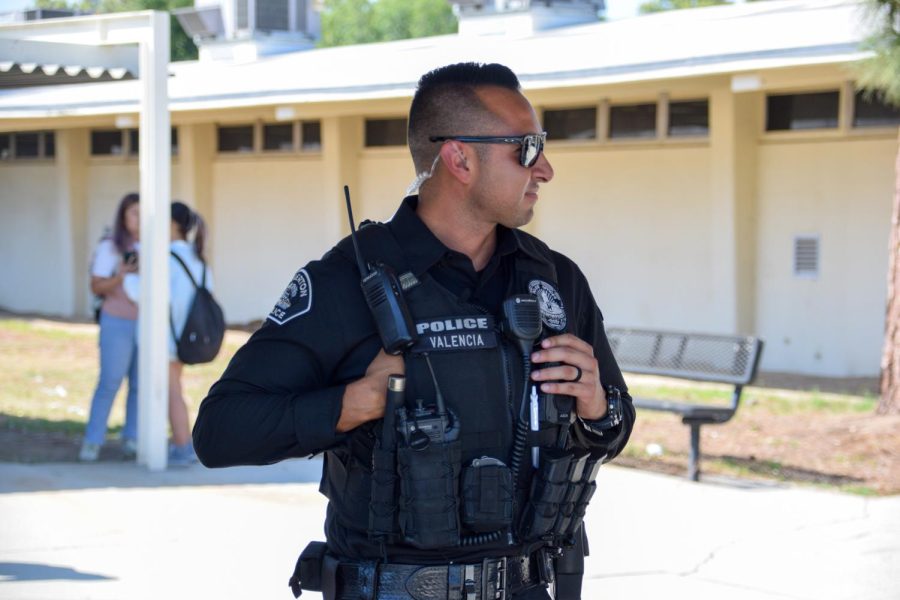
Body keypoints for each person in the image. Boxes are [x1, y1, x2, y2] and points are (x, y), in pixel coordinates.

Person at [193, 63, 635, 599]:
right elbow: (220, 431)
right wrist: (354, 403)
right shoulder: (347, 282)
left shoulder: (555, 280)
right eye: (527, 148)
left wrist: (596, 406)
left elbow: (615, 422)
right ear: (459, 158)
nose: (545, 168)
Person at [124, 201, 211, 467]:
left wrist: (129, 275)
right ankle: (182, 443)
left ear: (172, 224)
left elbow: (143, 295)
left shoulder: (166, 257)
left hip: (167, 338)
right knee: (175, 389)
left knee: (171, 391)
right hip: (189, 336)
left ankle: (183, 446)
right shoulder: (197, 258)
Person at [80, 192, 140, 462]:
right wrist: (121, 276)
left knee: (141, 384)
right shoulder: (110, 248)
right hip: (117, 321)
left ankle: (133, 438)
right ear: (123, 217)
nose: (138, 220)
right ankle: (93, 441)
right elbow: (96, 286)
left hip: (147, 324)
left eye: (142, 214)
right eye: (133, 214)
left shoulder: (155, 246)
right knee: (110, 381)